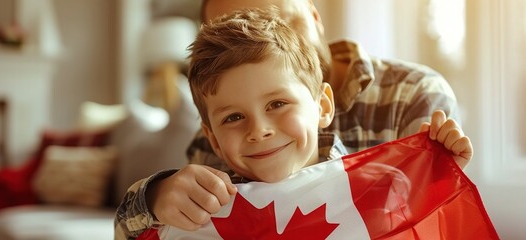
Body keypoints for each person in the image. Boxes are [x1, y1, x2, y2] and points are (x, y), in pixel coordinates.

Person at [114, 8, 472, 239]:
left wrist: (438, 174)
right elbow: (139, 229)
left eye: (277, 104)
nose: (259, 131)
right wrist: (155, 196)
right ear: (213, 138)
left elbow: (427, 225)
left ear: (323, 106)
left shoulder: (385, 174)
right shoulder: (216, 171)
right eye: (234, 117)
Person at [187, 0, 462, 175]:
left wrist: (438, 180)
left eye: (277, 23)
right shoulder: (220, 131)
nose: (257, 53)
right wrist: (151, 196)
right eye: (231, 33)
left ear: (314, 15)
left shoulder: (413, 93)